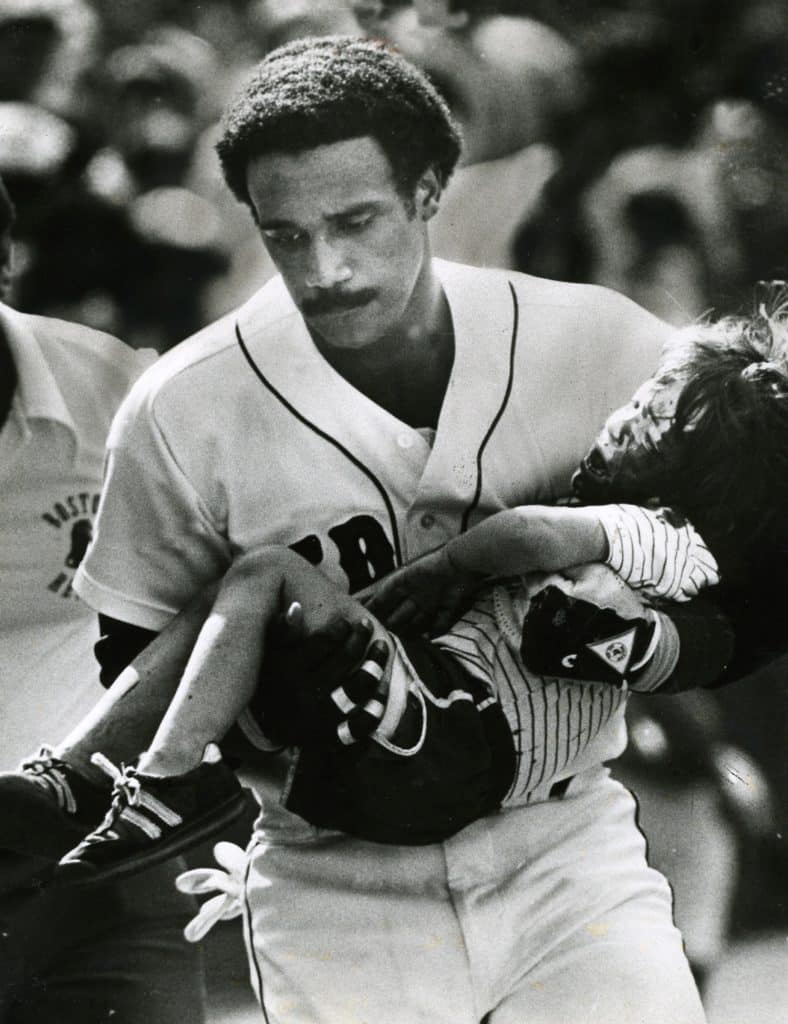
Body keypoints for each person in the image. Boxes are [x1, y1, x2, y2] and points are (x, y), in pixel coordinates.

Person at [38, 37, 723, 1023]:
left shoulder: (596, 341)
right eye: (287, 234)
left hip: (560, 847)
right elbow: (132, 642)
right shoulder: (183, 406)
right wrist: (264, 726)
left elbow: (726, 546)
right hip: (334, 884)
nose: (327, 265)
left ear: (429, 187)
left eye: (355, 220)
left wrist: (660, 642)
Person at [0, 175, 206, 1023]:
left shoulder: (122, 390)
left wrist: (73, 784)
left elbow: (218, 598)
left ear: (5, 258)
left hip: (103, 852)